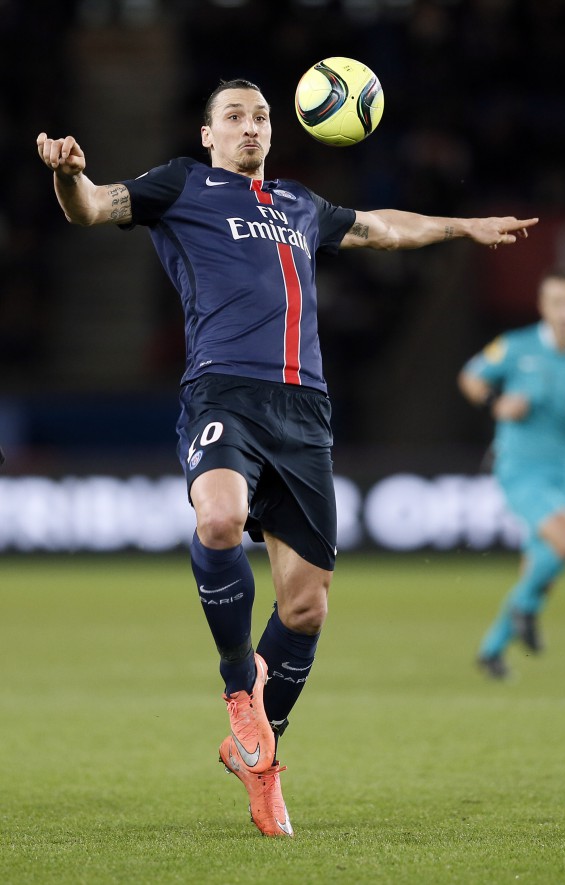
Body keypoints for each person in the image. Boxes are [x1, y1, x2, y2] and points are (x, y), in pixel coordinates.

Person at [37, 77, 537, 837]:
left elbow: (380, 228)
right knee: (220, 518)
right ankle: (240, 684)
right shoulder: (181, 184)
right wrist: (69, 174)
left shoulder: (300, 205)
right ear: (208, 134)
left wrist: (462, 225)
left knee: (306, 605)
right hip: (223, 394)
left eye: (260, 116)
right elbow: (95, 207)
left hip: (305, 411)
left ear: (274, 131)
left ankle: (259, 759)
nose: (249, 126)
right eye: (233, 116)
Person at [458, 270, 565, 679]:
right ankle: (525, 612)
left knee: (543, 565)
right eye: (558, 303)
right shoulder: (516, 347)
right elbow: (471, 377)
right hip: (521, 470)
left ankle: (492, 649)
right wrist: (499, 402)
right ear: (543, 307)